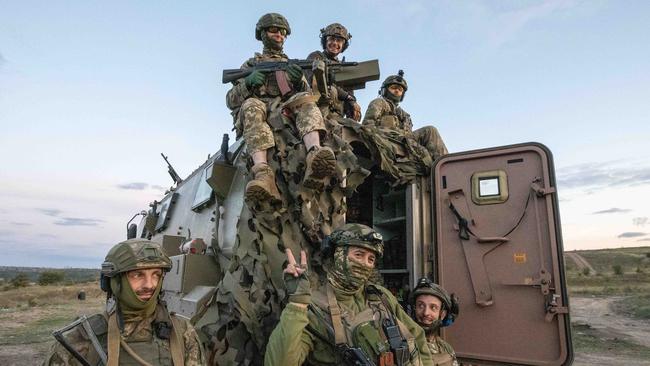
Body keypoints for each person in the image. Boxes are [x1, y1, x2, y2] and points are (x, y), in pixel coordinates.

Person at [265, 223, 434, 365]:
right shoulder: (312, 308)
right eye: (358, 255)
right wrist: (297, 303)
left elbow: (417, 338)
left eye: (371, 259)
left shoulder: (380, 296)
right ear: (337, 257)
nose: (364, 264)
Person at [226, 13, 336, 201]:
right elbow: (230, 100)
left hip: (285, 109)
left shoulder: (290, 65)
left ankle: (315, 155)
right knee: (251, 104)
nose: (279, 35)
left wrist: (298, 82)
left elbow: (309, 94)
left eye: (283, 32)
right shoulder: (251, 64)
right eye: (274, 30)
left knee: (304, 98)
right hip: (260, 110)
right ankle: (263, 173)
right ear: (262, 34)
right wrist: (247, 83)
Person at [43, 239, 204, 366]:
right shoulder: (82, 338)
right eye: (137, 275)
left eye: (156, 274)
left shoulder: (181, 332)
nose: (150, 284)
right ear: (114, 281)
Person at [362, 70, 448, 160]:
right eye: (393, 87)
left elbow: (409, 133)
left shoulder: (405, 115)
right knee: (430, 130)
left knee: (429, 138)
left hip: (405, 141)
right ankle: (446, 164)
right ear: (385, 90)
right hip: (389, 139)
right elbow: (368, 125)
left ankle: (442, 164)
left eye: (400, 90)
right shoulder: (379, 102)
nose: (397, 91)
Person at [306, 23, 361, 121]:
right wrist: (346, 96)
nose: (335, 43)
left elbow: (350, 94)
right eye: (331, 39)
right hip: (317, 109)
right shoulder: (316, 56)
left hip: (337, 116)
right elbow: (313, 81)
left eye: (339, 40)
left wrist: (352, 103)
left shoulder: (343, 67)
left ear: (343, 45)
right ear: (325, 41)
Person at [410, 278, 460, 366]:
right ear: (414, 309)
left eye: (433, 307)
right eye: (421, 306)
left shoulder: (446, 349)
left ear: (442, 314)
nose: (426, 313)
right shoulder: (403, 345)